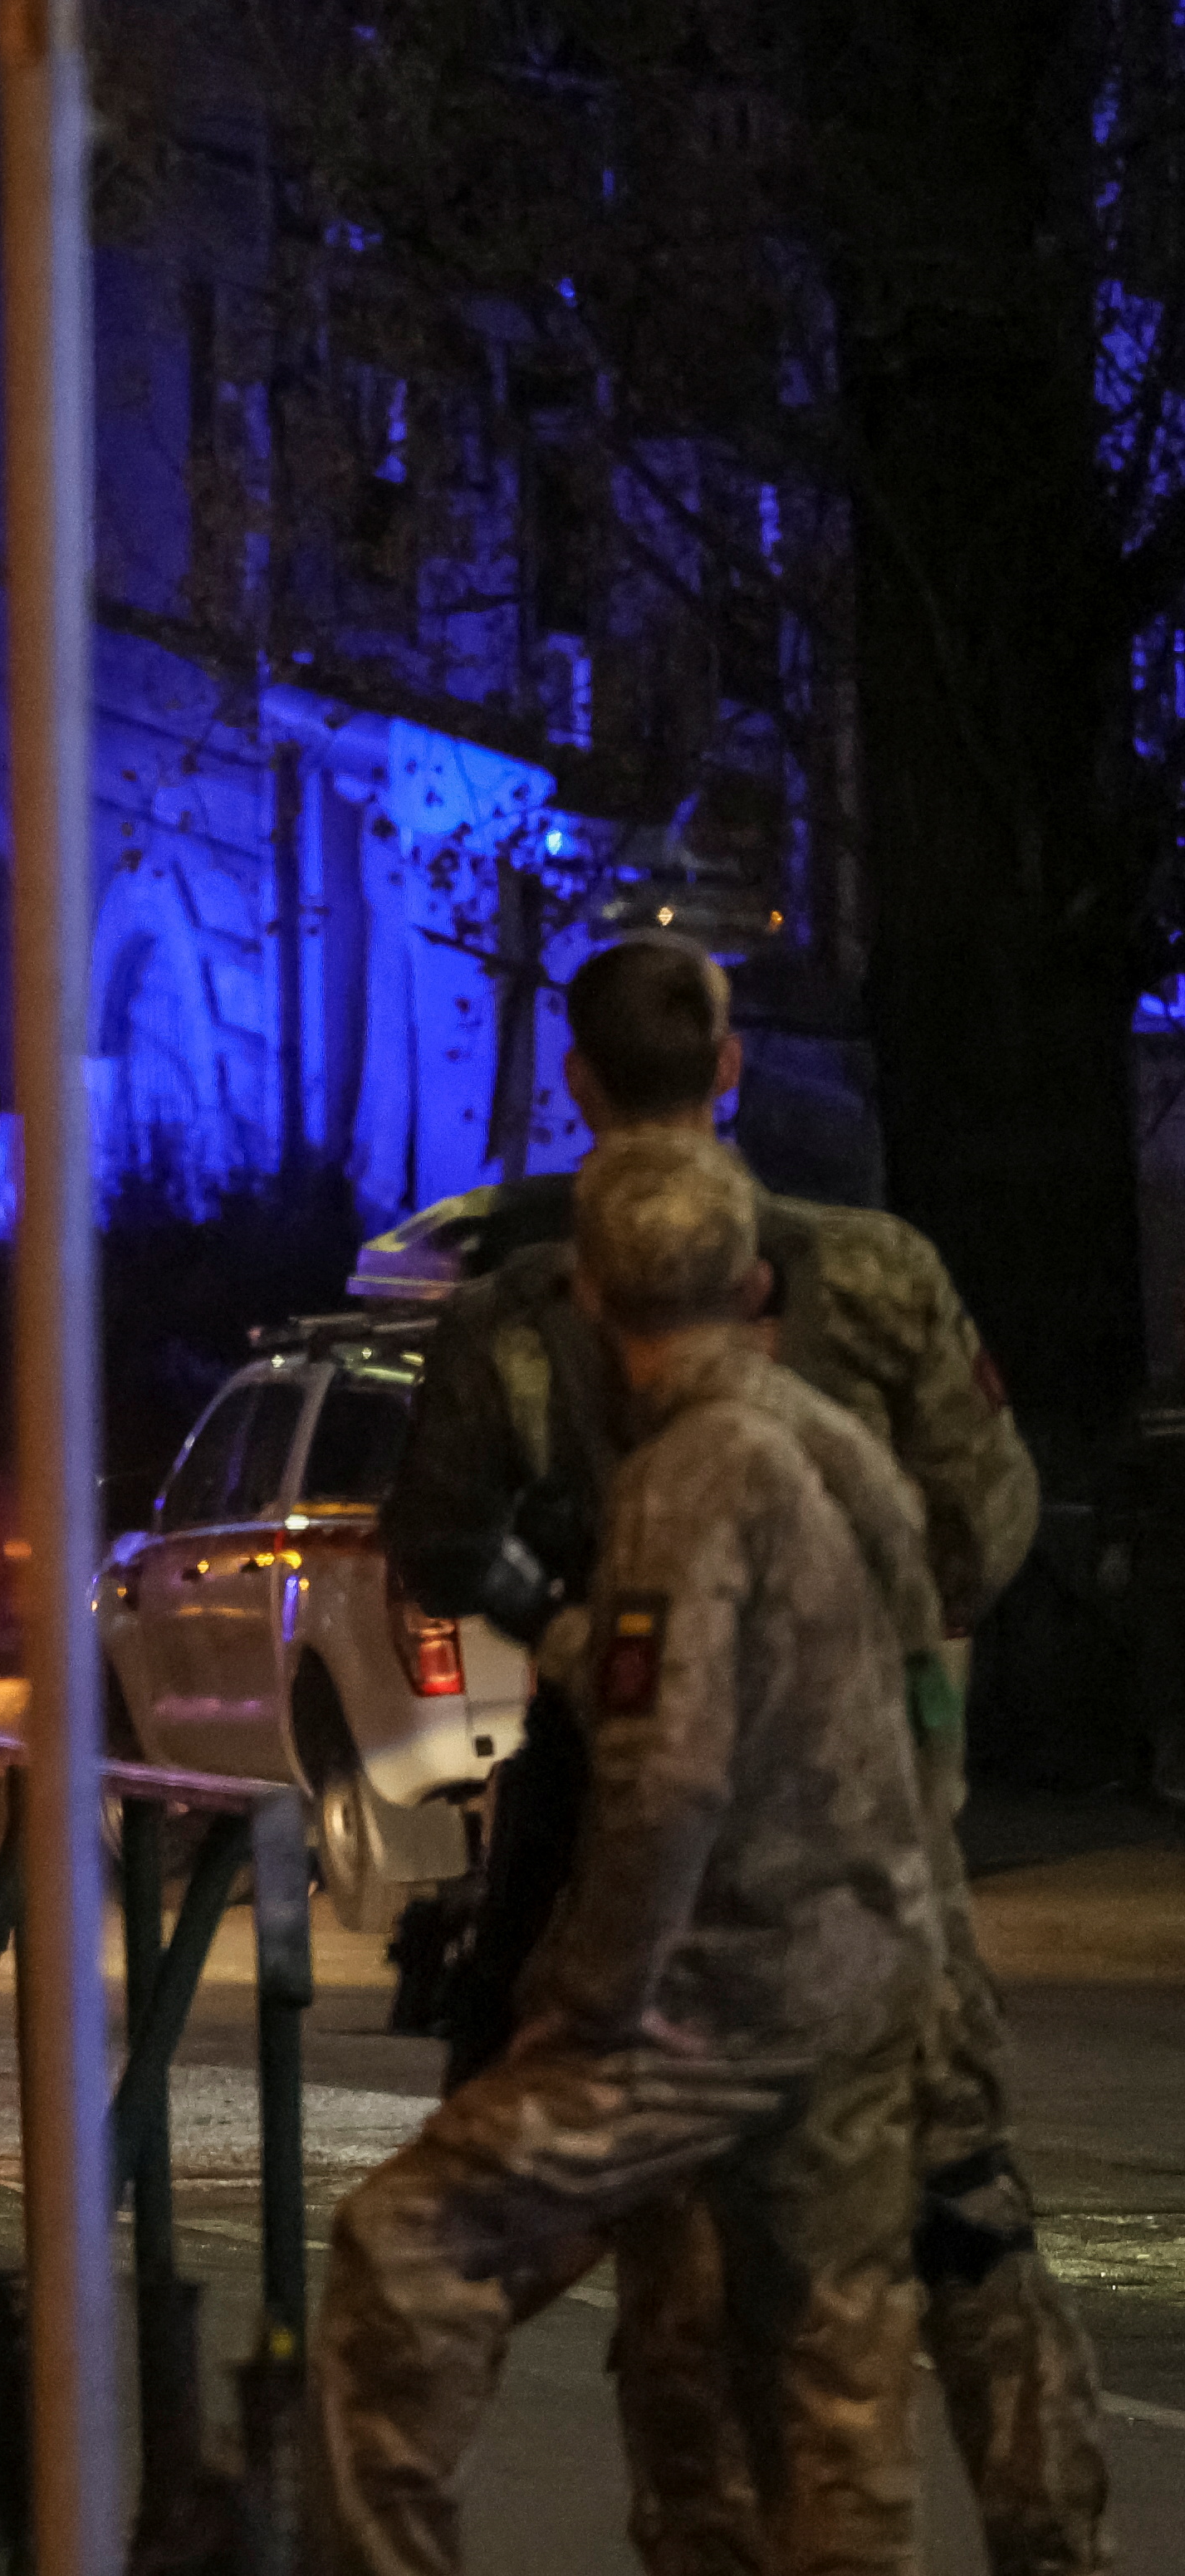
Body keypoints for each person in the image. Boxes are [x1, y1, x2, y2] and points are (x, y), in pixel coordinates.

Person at [386, 941, 1106, 2576]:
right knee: (961, 2217)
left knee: (681, 2288)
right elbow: (985, 1530)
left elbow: (435, 1539)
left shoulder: (519, 1305)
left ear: (572, 1082)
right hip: (879, 1856)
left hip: (632, 1867)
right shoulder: (870, 1277)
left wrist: (573, 1625)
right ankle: (1048, 2535)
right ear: (725, 1071)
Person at [319, 1127, 950, 2576]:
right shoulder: (842, 1454)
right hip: (863, 1983)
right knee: (822, 2393)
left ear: (594, 1302)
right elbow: (923, 1694)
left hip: (713, 2009)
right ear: (749, 1286)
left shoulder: (679, 1483)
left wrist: (582, 2010)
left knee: (401, 2257)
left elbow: (661, 1786)